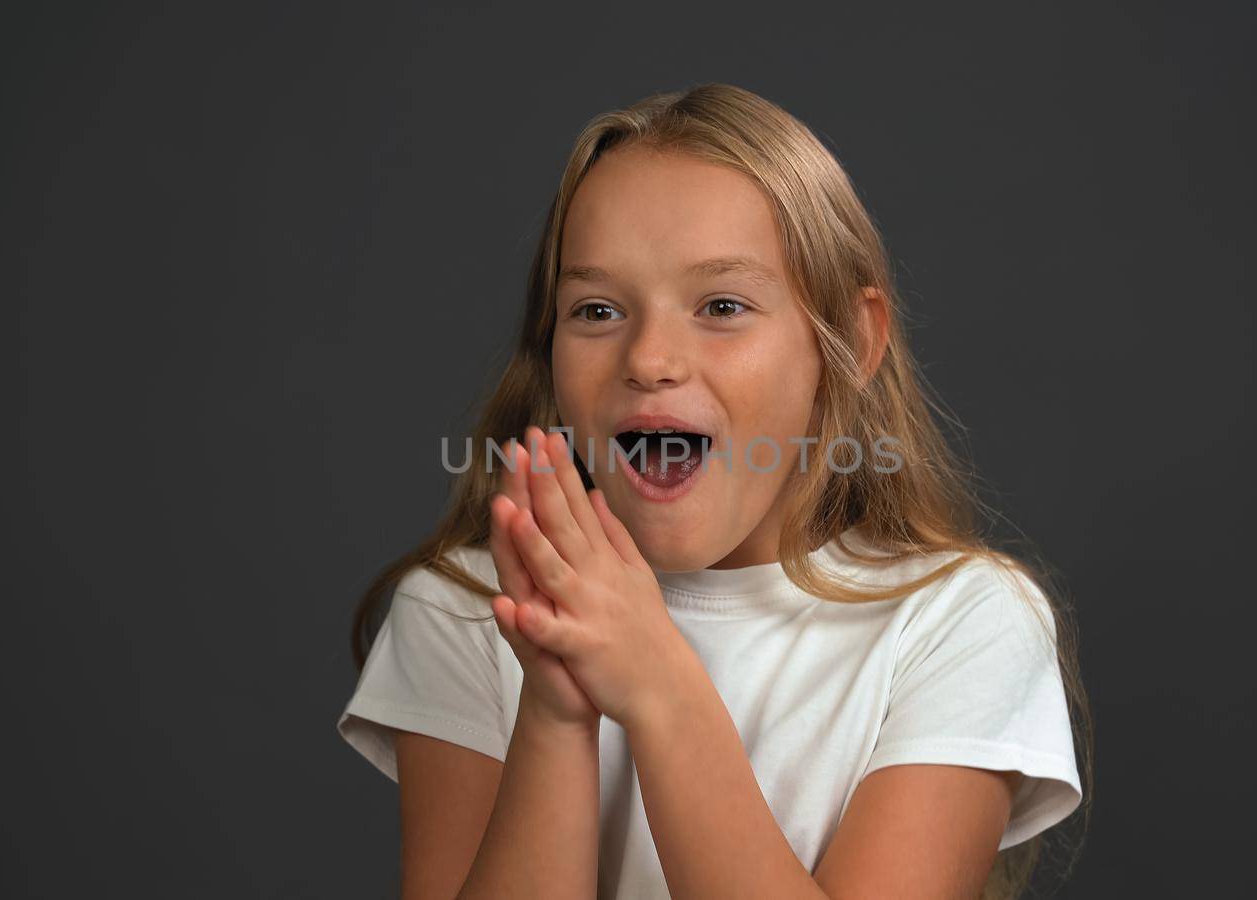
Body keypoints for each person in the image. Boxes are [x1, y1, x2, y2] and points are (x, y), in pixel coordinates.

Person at [338, 82, 1092, 900]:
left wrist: (661, 689)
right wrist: (554, 716)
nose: (650, 357)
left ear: (852, 340)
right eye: (596, 310)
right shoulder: (464, 611)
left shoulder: (958, 623)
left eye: (722, 305)